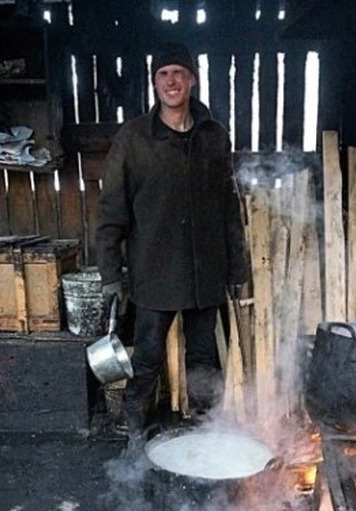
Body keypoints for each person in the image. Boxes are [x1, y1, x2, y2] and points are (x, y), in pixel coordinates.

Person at [96, 41, 251, 441]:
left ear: (192, 80)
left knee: (203, 360)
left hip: (206, 273)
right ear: (154, 83)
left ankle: (205, 434)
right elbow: (111, 211)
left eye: (178, 73)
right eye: (163, 75)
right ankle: (135, 434)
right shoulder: (133, 140)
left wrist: (238, 268)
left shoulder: (214, 137)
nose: (171, 81)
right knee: (146, 360)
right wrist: (111, 275)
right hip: (155, 272)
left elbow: (227, 206)